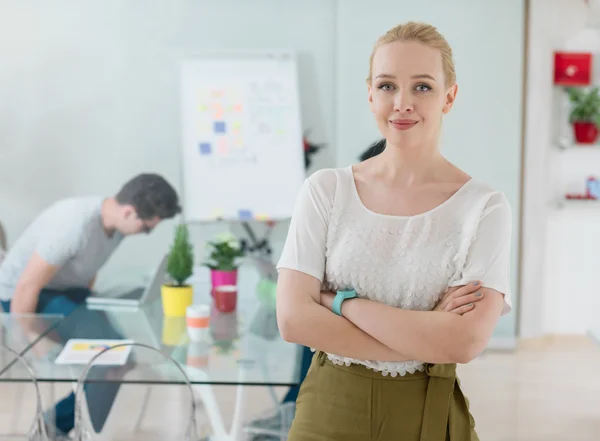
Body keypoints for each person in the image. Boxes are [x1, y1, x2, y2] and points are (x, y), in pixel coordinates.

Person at [276, 21, 512, 441]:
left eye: (422, 86)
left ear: (449, 97)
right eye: (387, 86)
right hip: (328, 407)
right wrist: (426, 335)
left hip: (427, 410)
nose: (402, 103)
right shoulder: (325, 191)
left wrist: (342, 304)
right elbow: (294, 320)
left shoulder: (484, 207)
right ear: (370, 94)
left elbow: (464, 342)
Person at [0, 173, 181, 439]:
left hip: (63, 290)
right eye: (146, 228)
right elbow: (26, 288)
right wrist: (35, 337)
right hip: (26, 295)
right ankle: (55, 430)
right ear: (129, 212)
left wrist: (90, 301)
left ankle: (60, 428)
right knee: (109, 358)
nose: (146, 234)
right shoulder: (73, 226)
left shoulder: (115, 227)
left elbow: (87, 268)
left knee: (122, 357)